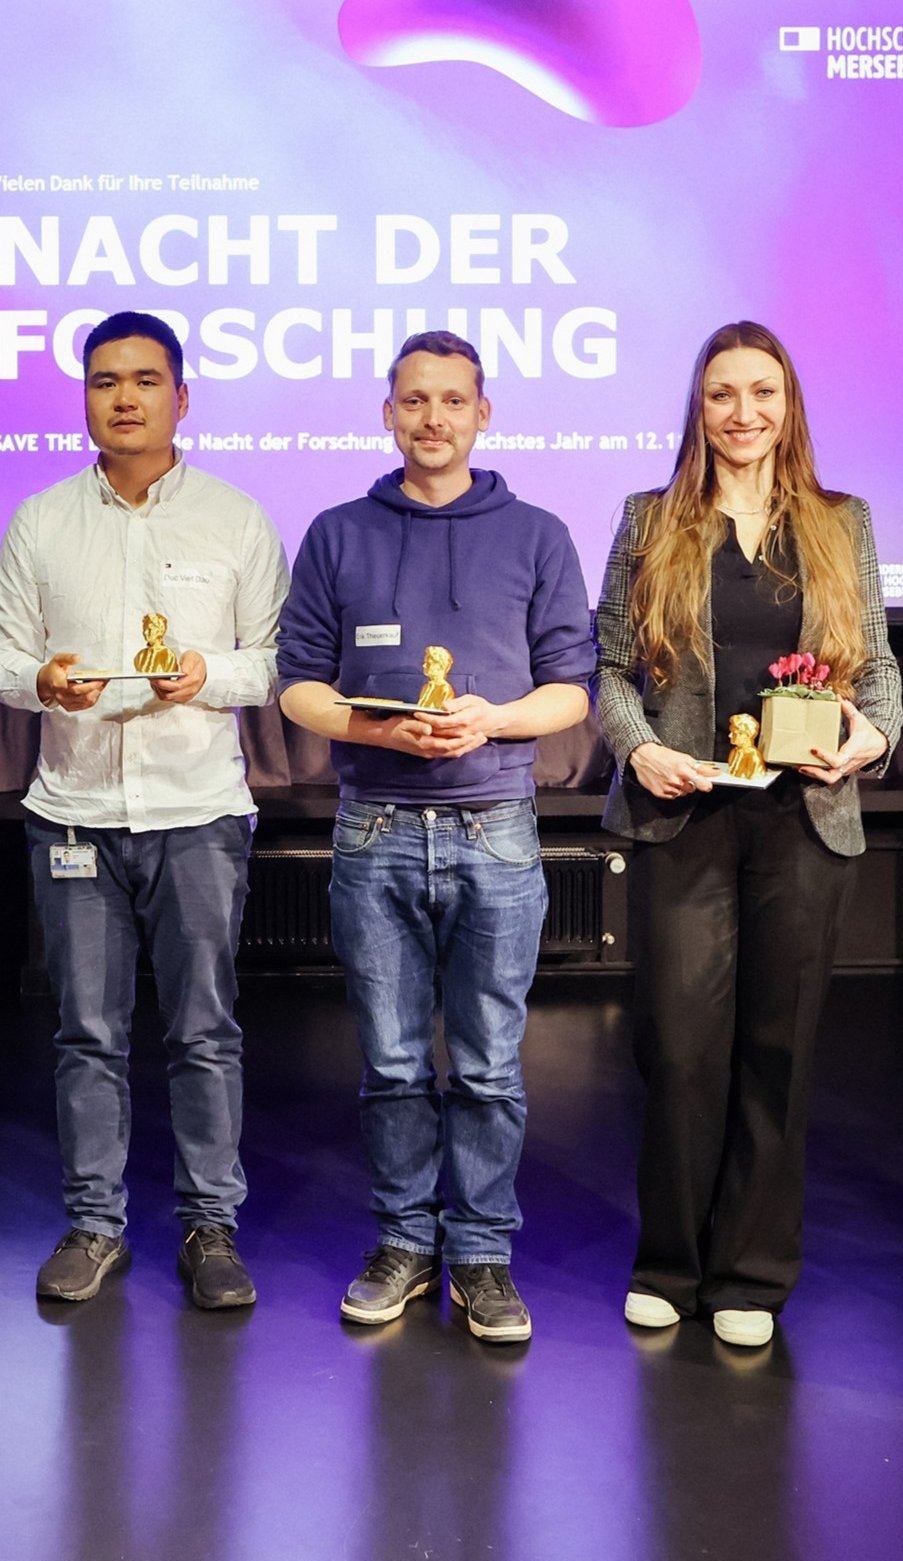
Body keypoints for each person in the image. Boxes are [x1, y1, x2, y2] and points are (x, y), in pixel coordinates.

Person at [277, 330, 593, 1341]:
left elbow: (571, 688)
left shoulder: (537, 533)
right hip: (371, 828)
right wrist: (376, 726)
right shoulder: (335, 532)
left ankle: (484, 1256)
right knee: (392, 1060)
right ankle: (405, 1242)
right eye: (412, 400)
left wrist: (487, 719)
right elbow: (297, 685)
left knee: (492, 1062)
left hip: (494, 827)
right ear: (386, 412)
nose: (432, 418)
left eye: (451, 400)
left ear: (481, 412)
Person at [593, 320, 901, 1348]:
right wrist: (637, 747)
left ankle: (748, 1274)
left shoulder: (837, 521)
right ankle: (667, 1262)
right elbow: (606, 671)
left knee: (778, 1048)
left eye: (759, 391)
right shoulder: (648, 520)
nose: (740, 412)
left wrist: (867, 739)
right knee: (679, 1049)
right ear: (697, 406)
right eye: (720, 393)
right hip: (684, 813)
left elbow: (881, 674)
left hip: (801, 821)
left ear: (786, 403)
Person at [0, 311, 289, 1309]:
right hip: (73, 810)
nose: (122, 397)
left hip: (196, 809)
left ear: (180, 397)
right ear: (83, 398)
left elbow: (282, 662)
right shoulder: (40, 520)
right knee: (84, 1029)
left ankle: (209, 1226)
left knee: (202, 1028)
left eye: (144, 380)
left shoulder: (236, 518)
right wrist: (40, 680)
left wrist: (207, 672)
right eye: (104, 380)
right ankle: (94, 1223)